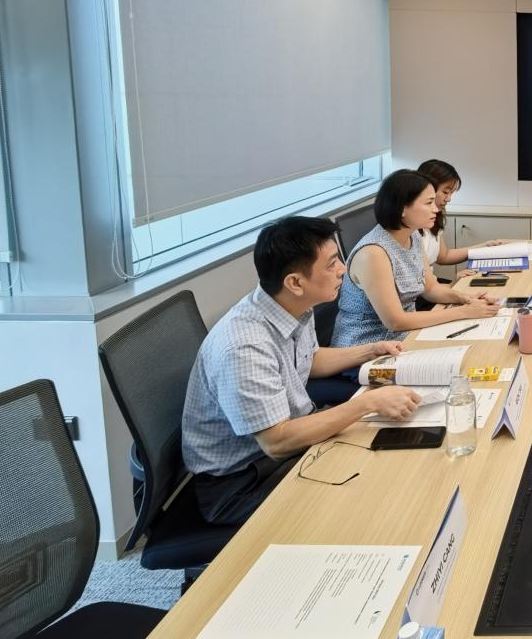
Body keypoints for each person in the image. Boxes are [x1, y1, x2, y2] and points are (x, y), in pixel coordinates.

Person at [181, 216, 422, 525]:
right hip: (242, 483)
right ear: (295, 282)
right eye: (331, 264)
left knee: (388, 458)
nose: (343, 269)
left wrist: (370, 350)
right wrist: (367, 403)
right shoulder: (244, 347)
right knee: (367, 503)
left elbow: (309, 360)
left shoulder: (290, 306)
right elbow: (277, 442)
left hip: (286, 447)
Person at [331, 169, 500, 352]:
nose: (436, 209)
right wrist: (463, 312)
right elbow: (395, 321)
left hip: (404, 338)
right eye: (428, 203)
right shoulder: (373, 254)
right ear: (402, 208)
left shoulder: (413, 236)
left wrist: (466, 298)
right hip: (367, 348)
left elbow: (431, 289)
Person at [415, 159, 506, 279]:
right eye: (445, 192)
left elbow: (443, 256)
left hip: (430, 285)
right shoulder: (411, 225)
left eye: (451, 193)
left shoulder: (434, 217)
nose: (449, 199)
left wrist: (485, 247)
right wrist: (452, 284)